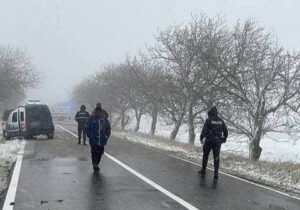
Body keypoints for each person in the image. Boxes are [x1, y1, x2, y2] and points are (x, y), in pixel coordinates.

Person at [199, 106, 228, 179]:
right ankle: (216, 173)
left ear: (210, 113)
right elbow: (226, 131)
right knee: (216, 157)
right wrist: (224, 138)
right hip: (218, 141)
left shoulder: (208, 120)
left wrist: (201, 138)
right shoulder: (221, 121)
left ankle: (203, 170)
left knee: (205, 155)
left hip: (209, 140)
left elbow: (204, 130)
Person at [86, 104, 111, 172]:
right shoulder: (91, 118)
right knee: (94, 151)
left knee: (100, 152)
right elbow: (87, 127)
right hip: (93, 139)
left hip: (102, 140)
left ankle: (97, 163)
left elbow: (108, 129)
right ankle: (94, 163)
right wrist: (89, 135)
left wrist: (106, 137)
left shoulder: (104, 119)